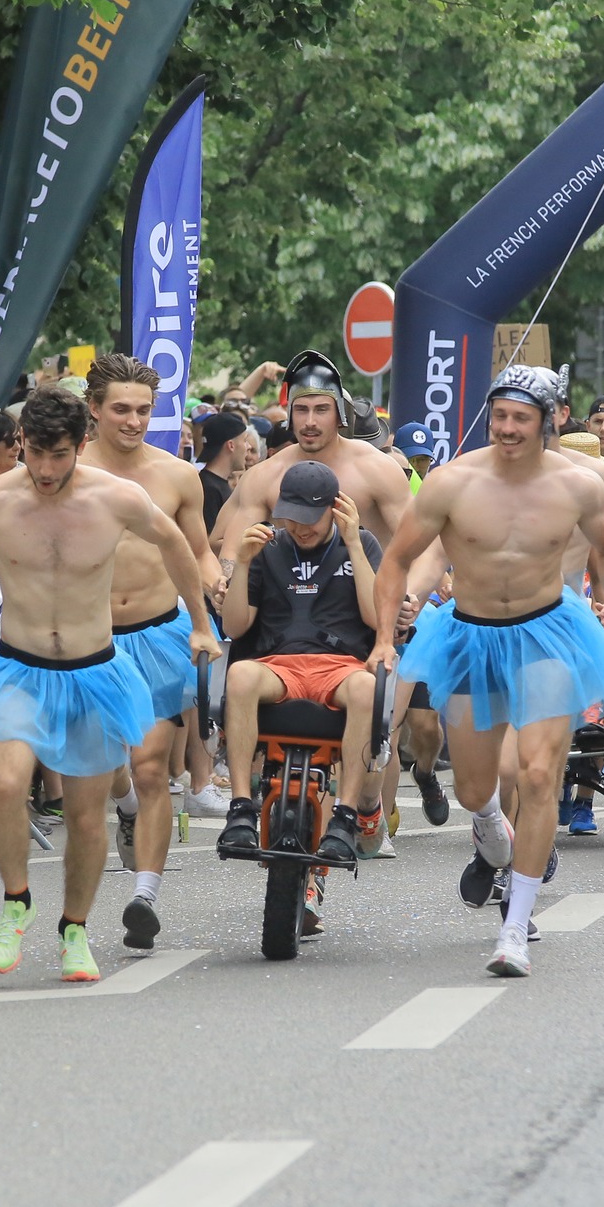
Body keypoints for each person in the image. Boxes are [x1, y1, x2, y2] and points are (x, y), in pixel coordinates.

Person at [0, 387, 218, 983]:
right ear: (20, 446)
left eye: (60, 455)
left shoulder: (117, 498)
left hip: (94, 672)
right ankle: (16, 901)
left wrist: (199, 623)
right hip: (19, 666)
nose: (45, 470)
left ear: (80, 446)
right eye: (36, 454)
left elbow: (175, 542)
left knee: (87, 817)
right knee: (11, 783)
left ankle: (74, 928)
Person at [372, 364, 604, 979]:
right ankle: (489, 830)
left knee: (541, 772)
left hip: (547, 634)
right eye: (499, 416)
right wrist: (387, 638)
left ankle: (516, 926)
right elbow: (396, 561)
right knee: (476, 787)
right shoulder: (450, 482)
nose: (507, 428)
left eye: (521, 417)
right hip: (470, 638)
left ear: (549, 422)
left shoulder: (576, 485)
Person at [79, 353, 214, 950]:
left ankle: (144, 894)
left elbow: (199, 551)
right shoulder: (69, 471)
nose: (134, 421)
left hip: (159, 632)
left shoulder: (178, 477)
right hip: (89, 638)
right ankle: (128, 806)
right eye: (121, 409)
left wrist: (217, 584)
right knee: (105, 766)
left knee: (153, 762)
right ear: (94, 410)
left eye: (143, 409)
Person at [219, 461, 385, 866]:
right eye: (292, 517)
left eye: (311, 518)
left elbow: (376, 618)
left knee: (367, 686)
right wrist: (242, 562)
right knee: (239, 673)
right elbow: (235, 625)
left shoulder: (361, 544)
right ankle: (241, 807)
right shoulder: (267, 546)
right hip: (278, 665)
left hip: (341, 667)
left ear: (336, 508)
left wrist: (355, 544)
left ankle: (345, 817)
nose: (301, 527)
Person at [215, 350, 413, 565]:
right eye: (301, 410)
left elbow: (418, 545)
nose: (310, 421)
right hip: (289, 595)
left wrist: (406, 594)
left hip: (367, 594)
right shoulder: (265, 475)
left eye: (321, 410)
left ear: (339, 415)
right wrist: (228, 584)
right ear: (290, 416)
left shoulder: (378, 469)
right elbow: (226, 550)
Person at [196, 412, 244, 538]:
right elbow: (208, 541)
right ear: (231, 445)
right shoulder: (209, 489)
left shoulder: (217, 484)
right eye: (244, 441)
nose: (248, 447)